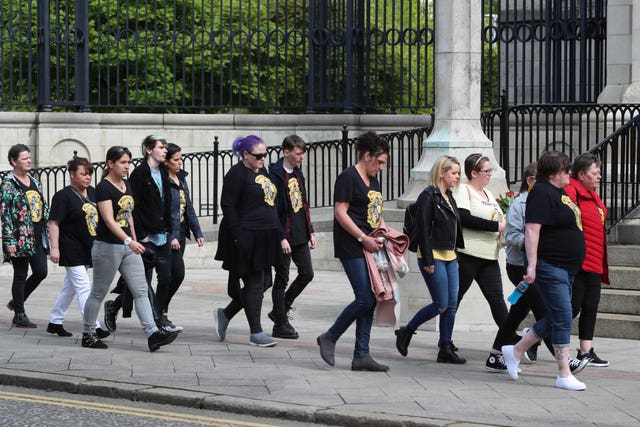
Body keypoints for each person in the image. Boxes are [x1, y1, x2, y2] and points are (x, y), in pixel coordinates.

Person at [502, 151, 588, 391]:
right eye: (565, 169)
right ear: (552, 173)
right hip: (551, 266)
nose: (569, 173)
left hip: (565, 267)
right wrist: (531, 265)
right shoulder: (541, 192)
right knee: (562, 317)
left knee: (560, 315)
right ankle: (563, 373)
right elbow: (531, 230)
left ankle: (516, 349)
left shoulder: (558, 193)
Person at [81, 146, 178, 351]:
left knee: (141, 290)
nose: (127, 166)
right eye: (122, 162)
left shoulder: (127, 184)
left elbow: (128, 215)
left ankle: (152, 333)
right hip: (108, 246)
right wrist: (128, 241)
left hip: (128, 246)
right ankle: (88, 333)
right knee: (98, 292)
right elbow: (109, 221)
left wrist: (136, 242)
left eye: (128, 162)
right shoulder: (103, 188)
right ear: (110, 164)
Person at [316, 131, 390, 372]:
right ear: (367, 155)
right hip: (352, 244)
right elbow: (340, 212)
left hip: (371, 245)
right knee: (365, 298)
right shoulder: (348, 177)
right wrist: (362, 237)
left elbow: (376, 212)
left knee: (372, 298)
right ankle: (330, 336)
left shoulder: (373, 179)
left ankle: (361, 355)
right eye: (379, 162)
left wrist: (385, 232)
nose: (381, 167)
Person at [394, 155, 466, 364]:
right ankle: (407, 331)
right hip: (433, 255)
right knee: (441, 303)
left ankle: (445, 347)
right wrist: (428, 260)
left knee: (451, 305)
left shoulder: (448, 196)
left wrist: (457, 255)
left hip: (450, 256)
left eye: (458, 173)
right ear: (441, 173)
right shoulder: (428, 196)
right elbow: (423, 230)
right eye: (453, 173)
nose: (457, 177)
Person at [214, 135, 283, 347]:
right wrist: (238, 235)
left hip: (266, 234)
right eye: (258, 155)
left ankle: (225, 314)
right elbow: (227, 205)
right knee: (254, 283)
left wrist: (279, 233)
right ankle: (256, 332)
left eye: (265, 154)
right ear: (245, 155)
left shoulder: (261, 170)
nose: (263, 158)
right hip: (246, 234)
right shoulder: (236, 174)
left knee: (265, 282)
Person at [47, 156, 110, 339]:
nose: (87, 177)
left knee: (71, 287)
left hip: (87, 247)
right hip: (70, 247)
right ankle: (94, 326)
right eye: (83, 174)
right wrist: (55, 248)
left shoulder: (92, 192)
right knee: (84, 287)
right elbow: (54, 223)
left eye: (89, 173)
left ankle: (55, 321)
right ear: (72, 174)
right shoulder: (62, 196)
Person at [453, 153, 509, 340]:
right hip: (468, 254)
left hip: (489, 256)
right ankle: (441, 339)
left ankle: (512, 339)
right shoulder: (463, 190)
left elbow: (496, 216)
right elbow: (464, 218)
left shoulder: (489, 194)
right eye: (487, 171)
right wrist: (495, 226)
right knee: (453, 300)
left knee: (497, 300)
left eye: (490, 170)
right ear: (474, 173)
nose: (490, 174)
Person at [268, 135, 317, 339]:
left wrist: (310, 230)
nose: (301, 158)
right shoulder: (274, 173)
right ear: (286, 152)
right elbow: (274, 208)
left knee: (307, 273)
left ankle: (280, 308)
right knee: (282, 278)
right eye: (298, 154)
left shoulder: (298, 173)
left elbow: (303, 203)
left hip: (300, 233)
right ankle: (280, 322)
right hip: (283, 235)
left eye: (302, 154)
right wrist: (281, 237)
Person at [128, 135, 177, 332]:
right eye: (161, 147)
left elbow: (167, 202)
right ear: (149, 150)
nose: (165, 151)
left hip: (162, 233)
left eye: (165, 148)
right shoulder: (139, 173)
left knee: (166, 277)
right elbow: (134, 206)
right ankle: (154, 321)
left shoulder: (164, 171)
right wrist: (141, 234)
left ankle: (158, 315)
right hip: (146, 235)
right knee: (144, 281)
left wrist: (169, 229)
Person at [565, 153, 610, 367]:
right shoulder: (571, 190)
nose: (599, 176)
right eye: (595, 172)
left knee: (590, 306)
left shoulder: (592, 194)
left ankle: (586, 351)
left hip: (595, 260)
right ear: (581, 174)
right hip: (579, 261)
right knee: (572, 308)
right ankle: (535, 339)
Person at [1, 144, 49, 328]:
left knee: (41, 272)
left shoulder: (36, 182)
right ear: (14, 161)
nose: (29, 160)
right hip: (19, 237)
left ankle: (16, 302)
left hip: (37, 236)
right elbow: (4, 214)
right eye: (24, 158)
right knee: (20, 274)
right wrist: (9, 240)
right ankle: (19, 314)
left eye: (29, 157)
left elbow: (42, 207)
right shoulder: (8, 184)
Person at [164, 143, 204, 320]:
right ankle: (161, 312)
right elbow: (161, 211)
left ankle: (162, 310)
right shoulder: (162, 180)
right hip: (167, 236)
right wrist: (171, 236)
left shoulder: (181, 178)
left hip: (181, 233)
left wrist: (198, 232)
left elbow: (188, 207)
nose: (180, 163)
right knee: (174, 274)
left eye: (181, 159)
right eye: (176, 159)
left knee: (175, 275)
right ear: (166, 161)